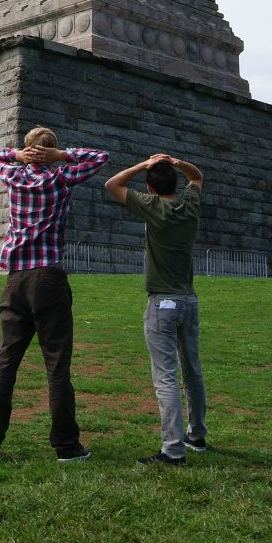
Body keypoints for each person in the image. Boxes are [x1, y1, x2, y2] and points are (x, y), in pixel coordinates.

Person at [0, 126, 109, 462]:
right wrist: (62, 156)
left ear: (27, 149)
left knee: (5, 364)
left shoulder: (13, 177)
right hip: (48, 278)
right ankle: (66, 447)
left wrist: (19, 156)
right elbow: (100, 158)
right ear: (50, 152)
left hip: (16, 279)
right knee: (57, 367)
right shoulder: (61, 178)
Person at [105, 152, 207, 465]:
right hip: (189, 301)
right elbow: (197, 176)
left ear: (149, 188)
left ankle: (173, 450)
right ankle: (197, 435)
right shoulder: (189, 205)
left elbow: (112, 184)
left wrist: (142, 165)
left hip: (162, 303)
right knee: (192, 371)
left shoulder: (152, 206)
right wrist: (176, 162)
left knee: (165, 378)